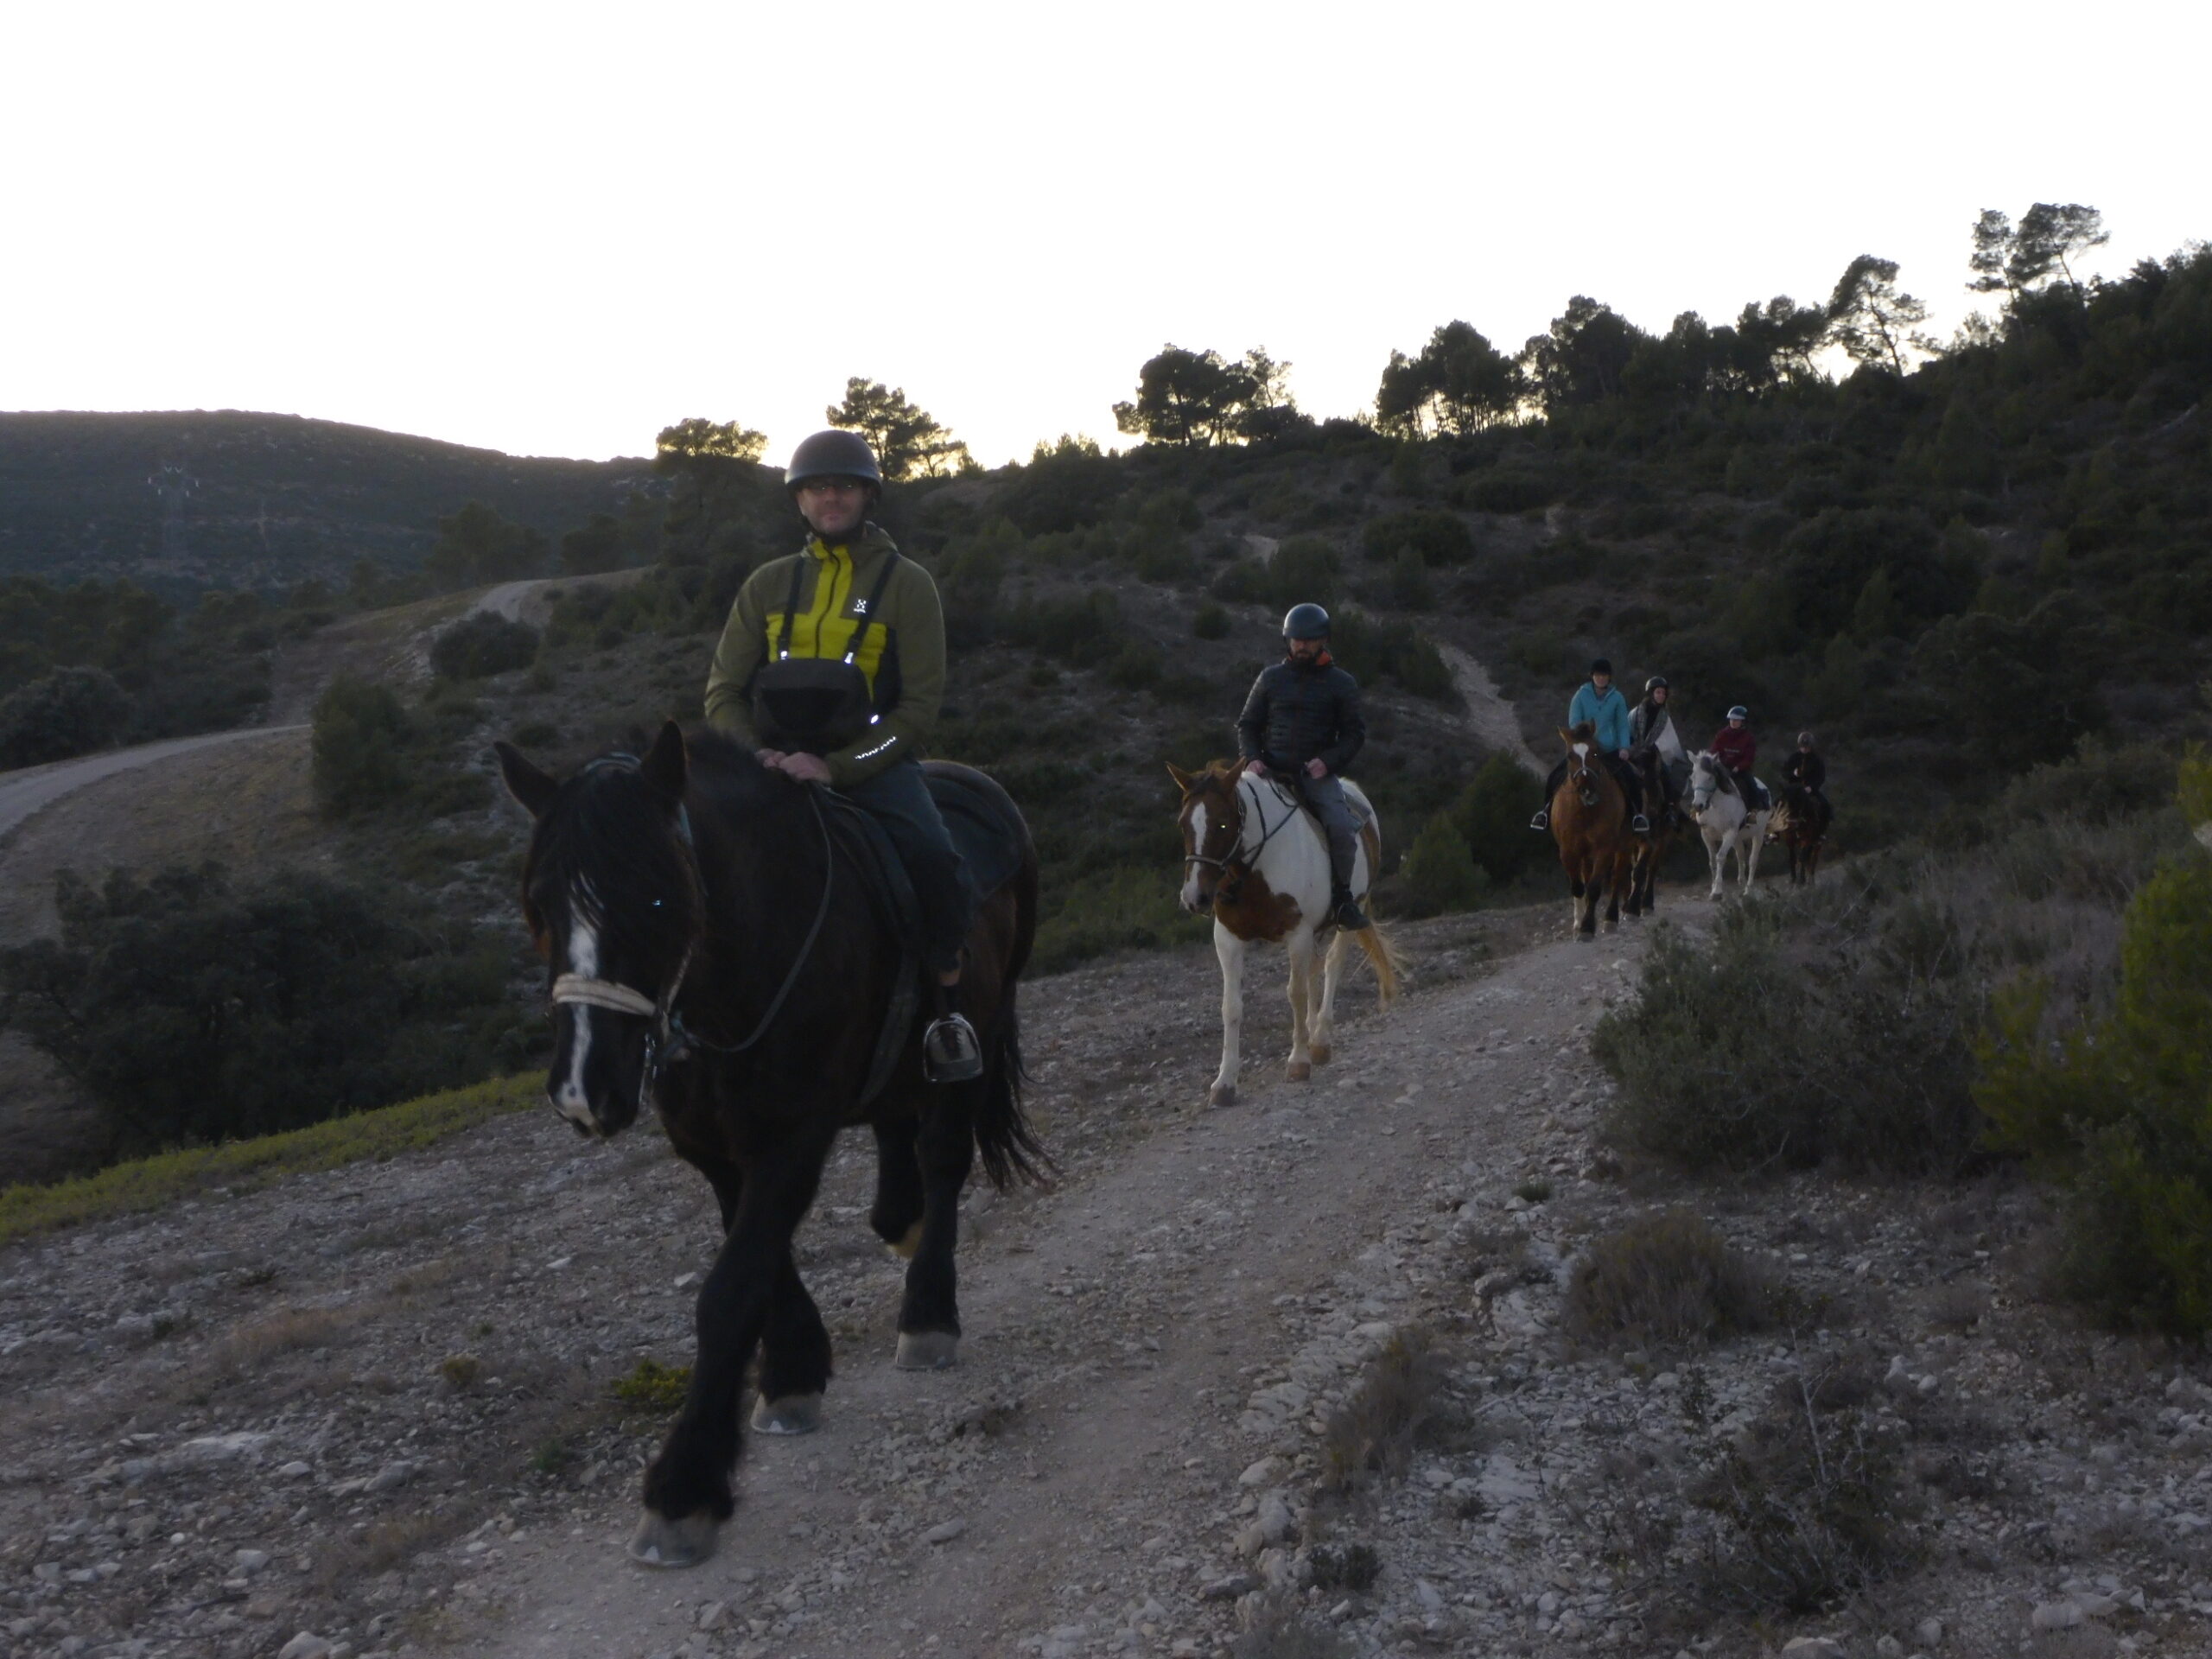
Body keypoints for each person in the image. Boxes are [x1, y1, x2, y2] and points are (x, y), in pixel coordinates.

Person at [702, 429, 982, 1083]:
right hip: (769, 770)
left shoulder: (907, 585)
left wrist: (836, 767)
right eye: (818, 487)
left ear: (867, 496)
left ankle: (948, 1010)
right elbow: (722, 693)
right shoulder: (767, 584)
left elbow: (917, 710)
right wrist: (759, 758)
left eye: (845, 486)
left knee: (936, 862)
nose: (832, 498)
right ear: (799, 500)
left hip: (870, 765)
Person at [1236, 603, 1371, 931]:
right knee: (1223, 817)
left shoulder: (1341, 683)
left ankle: (1342, 900)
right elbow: (1247, 724)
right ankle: (1226, 895)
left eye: (1309, 640)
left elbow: (1354, 735)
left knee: (1340, 827)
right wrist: (1252, 757)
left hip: (1314, 775)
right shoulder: (1270, 678)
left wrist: (1328, 762)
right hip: (1267, 770)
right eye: (1296, 639)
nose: (1302, 645)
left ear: (1323, 640)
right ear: (1287, 640)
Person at [1529, 658, 1649, 835]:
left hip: (1608, 750)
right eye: (1598, 675)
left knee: (1631, 778)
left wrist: (1624, 747)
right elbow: (1574, 721)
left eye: (1604, 675)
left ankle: (1637, 817)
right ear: (1592, 676)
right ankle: (1545, 813)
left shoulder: (1617, 698)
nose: (1601, 678)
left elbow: (1622, 725)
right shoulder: (1581, 696)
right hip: (1584, 749)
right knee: (1555, 776)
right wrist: (1586, 739)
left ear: (1609, 678)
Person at [1630, 675, 1688, 823]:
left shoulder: (1664, 718)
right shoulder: (1635, 712)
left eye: (1663, 693)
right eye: (1658, 692)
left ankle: (1669, 810)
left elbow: (1669, 741)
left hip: (1653, 753)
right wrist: (1633, 748)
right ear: (1651, 693)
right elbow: (1628, 732)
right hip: (1633, 751)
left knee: (1666, 777)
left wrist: (1657, 750)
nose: (1661, 696)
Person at [1710, 705, 1768, 812]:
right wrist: (1714, 761)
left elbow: (1749, 758)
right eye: (1731, 719)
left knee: (1752, 785)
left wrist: (1739, 767)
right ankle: (1698, 808)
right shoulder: (1722, 734)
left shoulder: (1748, 738)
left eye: (1736, 720)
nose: (1733, 722)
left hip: (1740, 770)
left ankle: (1754, 810)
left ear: (1743, 721)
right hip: (1722, 767)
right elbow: (1714, 750)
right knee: (1705, 780)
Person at [1783, 730, 1830, 826]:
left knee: (1825, 806)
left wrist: (1812, 787)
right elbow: (1784, 772)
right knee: (1778, 803)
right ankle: (1774, 832)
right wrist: (1793, 773)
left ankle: (1821, 832)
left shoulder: (1816, 760)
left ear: (1810, 747)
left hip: (1809, 789)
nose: (1804, 749)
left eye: (1806, 747)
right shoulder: (1794, 757)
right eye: (1802, 746)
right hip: (1794, 788)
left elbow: (1821, 777)